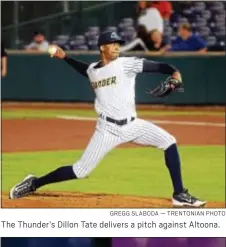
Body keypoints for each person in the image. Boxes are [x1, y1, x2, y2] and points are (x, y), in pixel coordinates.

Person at [9, 30, 206, 207]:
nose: (117, 47)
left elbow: (160, 66)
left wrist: (175, 74)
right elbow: (87, 70)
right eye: (112, 44)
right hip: (107, 129)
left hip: (132, 125)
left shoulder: (127, 64)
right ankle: (34, 183)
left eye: (118, 44)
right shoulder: (94, 70)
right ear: (102, 47)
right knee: (80, 170)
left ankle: (179, 194)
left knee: (169, 141)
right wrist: (66, 57)